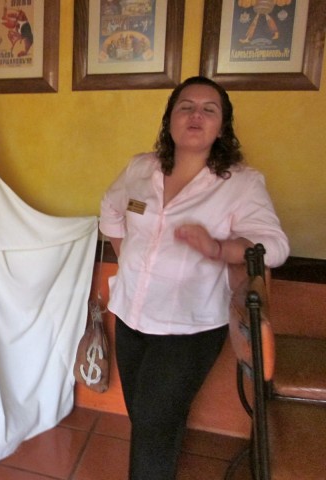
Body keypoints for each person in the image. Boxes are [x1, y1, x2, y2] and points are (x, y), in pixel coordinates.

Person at [99, 76, 289, 479]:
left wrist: (219, 249)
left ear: (223, 126)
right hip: (131, 314)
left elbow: (274, 245)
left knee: (152, 422)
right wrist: (125, 254)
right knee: (148, 416)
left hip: (190, 327)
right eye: (186, 106)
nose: (196, 115)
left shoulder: (240, 184)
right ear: (169, 119)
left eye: (209, 109)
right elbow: (110, 208)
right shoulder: (141, 168)